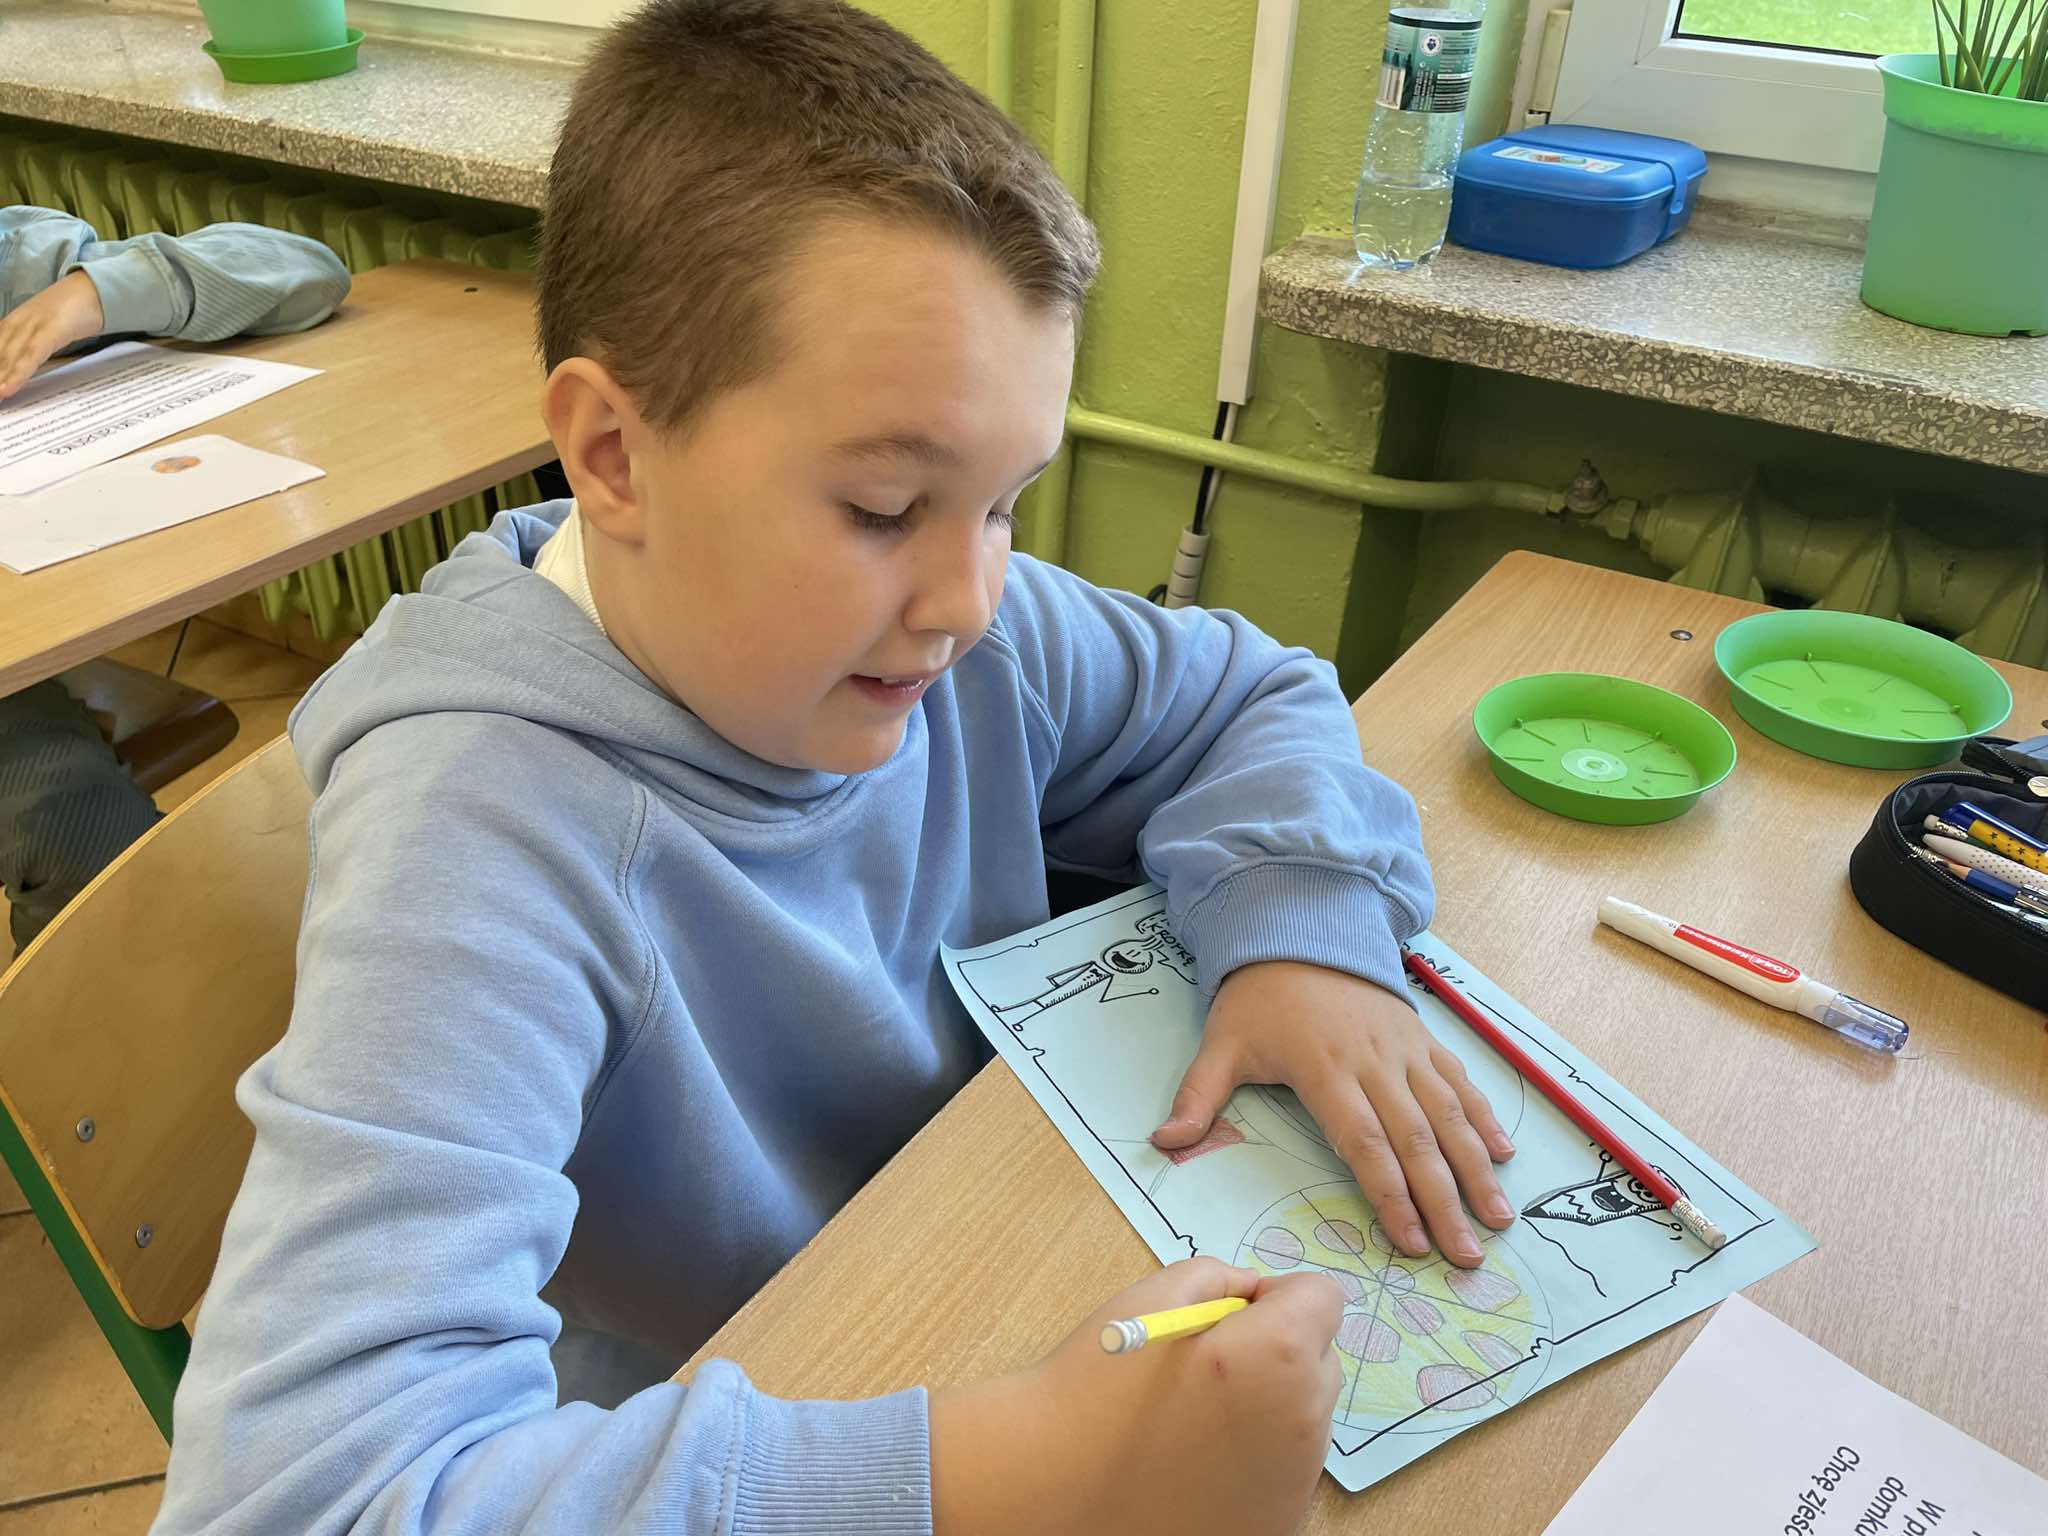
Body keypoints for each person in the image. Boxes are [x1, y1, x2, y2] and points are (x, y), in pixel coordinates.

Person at [151, 5, 1514, 1533]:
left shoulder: (959, 633)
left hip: (986, 1258)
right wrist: (1027, 1471)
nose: (971, 600)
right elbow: (307, 1498)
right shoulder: (476, 843)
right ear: (611, 456)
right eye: (882, 508)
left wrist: (1302, 937)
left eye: (1005, 503)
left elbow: (1250, 696)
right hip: (743, 1418)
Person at [0, 209, 350, 957]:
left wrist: (87, 296)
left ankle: (111, 1019)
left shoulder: (14, 262)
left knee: (72, 822)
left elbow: (307, 272)